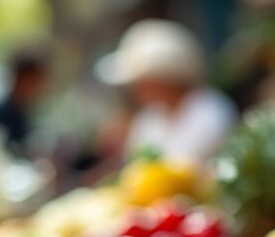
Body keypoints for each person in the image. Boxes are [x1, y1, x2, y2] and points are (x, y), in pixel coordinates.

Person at [96, 19, 237, 164]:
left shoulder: (210, 110)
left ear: (165, 79)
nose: (136, 90)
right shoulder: (147, 121)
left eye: (143, 83)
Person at [0, 48, 49, 154]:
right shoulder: (0, 116)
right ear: (21, 78)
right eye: (34, 81)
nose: (39, 88)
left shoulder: (26, 113)